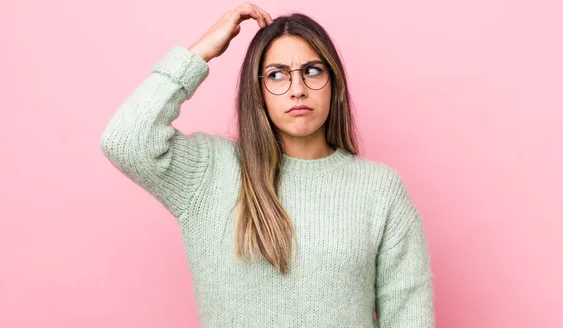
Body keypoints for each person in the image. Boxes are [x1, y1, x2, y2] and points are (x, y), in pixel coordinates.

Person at [100, 2, 434, 327]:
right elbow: (126, 140)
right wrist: (201, 53)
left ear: (335, 83)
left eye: (313, 71)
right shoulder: (210, 172)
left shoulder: (379, 190)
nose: (298, 90)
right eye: (277, 75)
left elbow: (409, 318)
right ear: (257, 89)